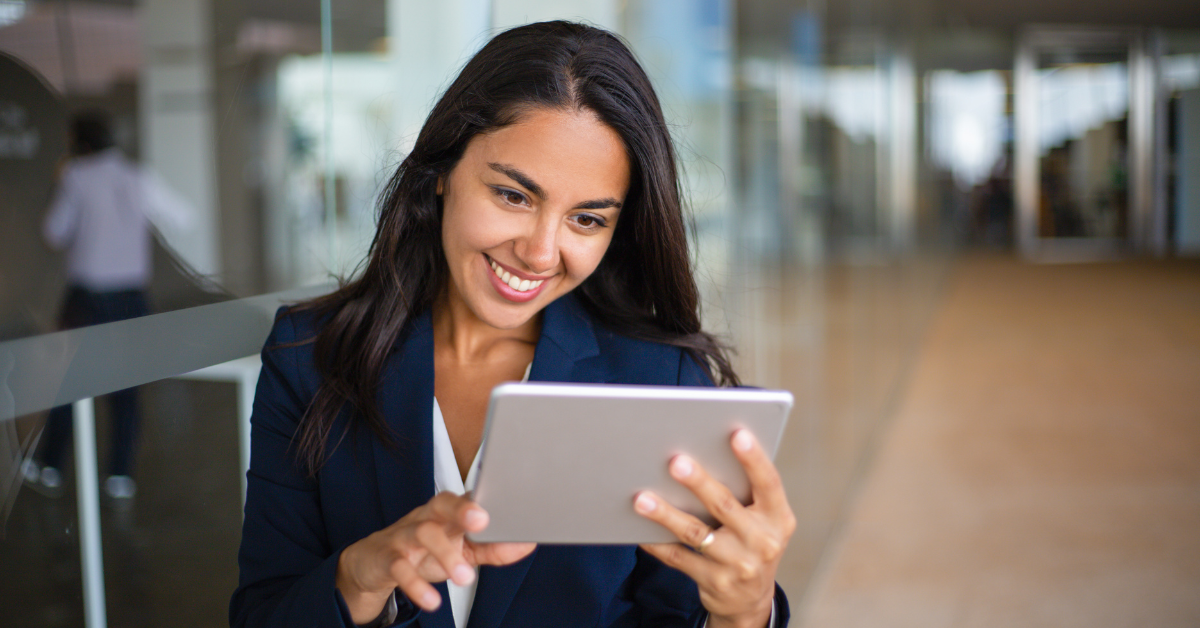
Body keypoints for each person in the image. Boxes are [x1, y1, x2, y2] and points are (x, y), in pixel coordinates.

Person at [231, 21, 796, 628]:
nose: (540, 253)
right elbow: (264, 614)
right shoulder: (309, 356)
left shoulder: (658, 377)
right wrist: (359, 578)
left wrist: (745, 614)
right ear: (443, 169)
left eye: (586, 220)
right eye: (513, 196)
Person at [23, 110, 190, 499]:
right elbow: (183, 217)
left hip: (88, 296)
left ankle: (51, 464)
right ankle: (119, 473)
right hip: (132, 296)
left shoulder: (76, 177)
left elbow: (53, 231)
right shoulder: (136, 175)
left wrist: (60, 183)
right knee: (126, 386)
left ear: (77, 143)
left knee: (70, 380)